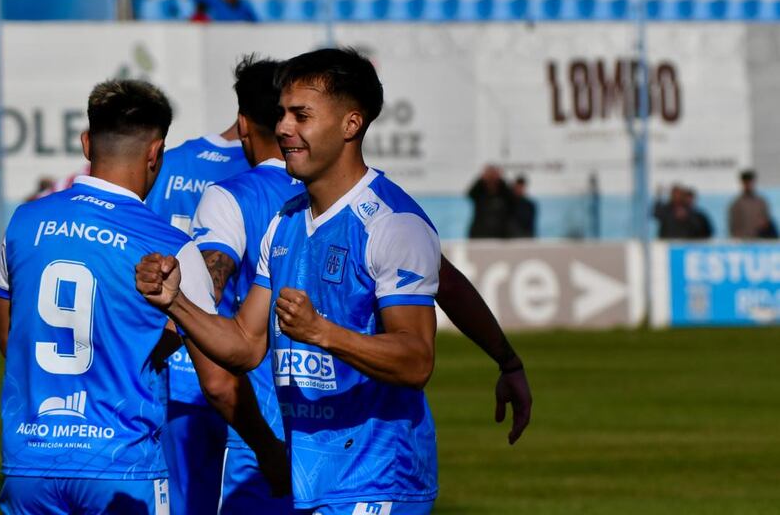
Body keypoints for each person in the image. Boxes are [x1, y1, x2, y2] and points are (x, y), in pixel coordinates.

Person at [137, 49, 531, 514]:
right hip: (311, 477)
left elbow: (416, 359)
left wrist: (322, 333)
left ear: (351, 124)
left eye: (301, 115)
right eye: (282, 114)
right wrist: (176, 303)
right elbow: (244, 344)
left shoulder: (391, 223)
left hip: (377, 480)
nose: (283, 128)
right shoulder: (284, 223)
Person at [0, 79, 284, 515]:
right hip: (122, 466)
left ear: (87, 143)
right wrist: (267, 447)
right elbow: (220, 381)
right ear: (155, 153)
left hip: (29, 465)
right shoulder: (171, 247)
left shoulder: (23, 223)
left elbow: (10, 340)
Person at [189, 56, 301, 514]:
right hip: (352, 435)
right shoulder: (351, 191)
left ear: (241, 123)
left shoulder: (231, 195)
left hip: (266, 427)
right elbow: (444, 281)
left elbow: (203, 294)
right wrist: (506, 360)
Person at [145, 109, 251, 514]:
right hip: (242, 370)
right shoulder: (270, 172)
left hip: (174, 361)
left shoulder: (168, 162)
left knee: (181, 503)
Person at [467, 165, 513, 238]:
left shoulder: (503, 192)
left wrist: (500, 180)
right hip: (480, 232)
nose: (492, 178)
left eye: (494, 175)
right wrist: (482, 179)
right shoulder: (480, 192)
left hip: (500, 233)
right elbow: (470, 194)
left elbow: (511, 198)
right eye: (490, 175)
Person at [728, 170, 775, 239]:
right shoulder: (736, 204)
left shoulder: (761, 202)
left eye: (750, 182)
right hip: (743, 242)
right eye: (746, 182)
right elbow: (733, 226)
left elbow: (767, 222)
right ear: (742, 183)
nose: (748, 185)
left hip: (760, 241)